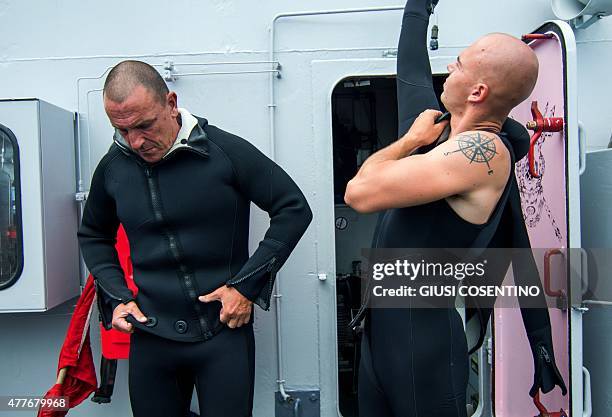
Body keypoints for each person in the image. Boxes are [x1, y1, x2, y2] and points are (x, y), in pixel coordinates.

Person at [345, 1, 565, 416]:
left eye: (460, 64)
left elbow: (359, 192)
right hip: (380, 337)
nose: (451, 67)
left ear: (478, 92)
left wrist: (408, 142)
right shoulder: (438, 135)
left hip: (422, 347)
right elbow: (410, 68)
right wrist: (419, 7)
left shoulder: (483, 152)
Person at [78, 60, 312, 417]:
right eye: (122, 131)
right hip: (151, 335)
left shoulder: (224, 151)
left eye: (144, 125)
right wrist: (117, 298)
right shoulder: (114, 167)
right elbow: (94, 234)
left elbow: (293, 209)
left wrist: (245, 287)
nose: (136, 141)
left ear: (171, 103)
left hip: (221, 332)